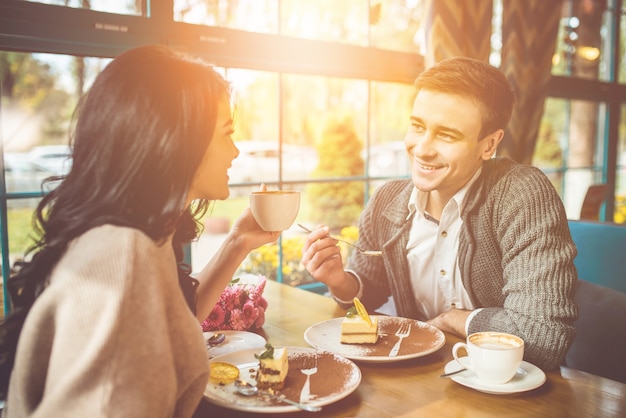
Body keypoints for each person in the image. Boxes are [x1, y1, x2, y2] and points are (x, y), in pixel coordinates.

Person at [0, 45, 280, 417]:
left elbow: (171, 320)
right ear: (176, 141)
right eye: (226, 133)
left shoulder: (141, 235)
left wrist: (238, 243)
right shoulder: (123, 258)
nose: (235, 151)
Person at [301, 56, 578, 371]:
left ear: (488, 145)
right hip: (425, 378)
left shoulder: (521, 195)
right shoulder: (388, 201)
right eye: (418, 126)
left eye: (446, 135)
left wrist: (456, 320)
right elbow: (371, 287)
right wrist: (339, 281)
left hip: (511, 388)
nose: (422, 148)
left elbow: (543, 338)